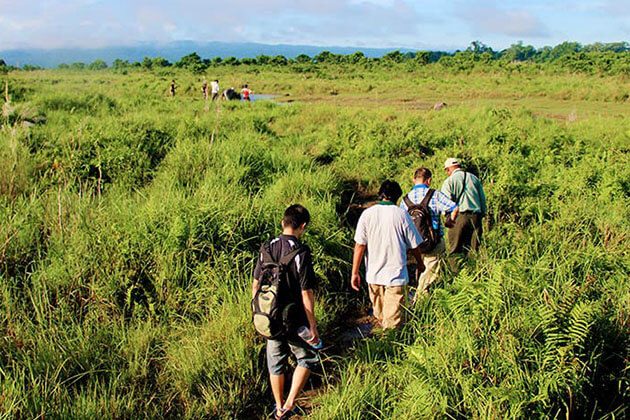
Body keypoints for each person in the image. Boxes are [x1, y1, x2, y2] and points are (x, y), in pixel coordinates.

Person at [252, 205, 319, 419]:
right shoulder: (301, 252)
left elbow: (255, 284)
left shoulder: (266, 247)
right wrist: (312, 324)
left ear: (283, 222)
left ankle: (278, 406)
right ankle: (290, 404)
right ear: (303, 226)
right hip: (294, 317)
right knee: (308, 357)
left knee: (276, 361)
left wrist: (258, 311)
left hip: (269, 316)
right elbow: (306, 292)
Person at [351, 180, 424, 330]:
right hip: (396, 276)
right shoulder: (402, 214)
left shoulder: (367, 214)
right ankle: (389, 348)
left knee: (381, 316)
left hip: (374, 276)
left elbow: (360, 245)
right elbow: (415, 244)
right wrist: (420, 263)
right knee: (392, 322)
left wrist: (355, 272)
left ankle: (383, 346)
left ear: (380, 195)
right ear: (398, 197)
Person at [400, 167, 459, 295]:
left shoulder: (405, 200)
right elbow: (454, 207)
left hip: (413, 244)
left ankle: (416, 295)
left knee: (420, 270)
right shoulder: (434, 195)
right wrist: (450, 221)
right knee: (429, 275)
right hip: (433, 243)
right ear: (429, 180)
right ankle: (420, 302)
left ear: (414, 179)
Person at [441, 158, 487, 260]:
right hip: (476, 217)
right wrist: (481, 215)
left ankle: (457, 274)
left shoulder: (449, 181)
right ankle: (474, 273)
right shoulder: (474, 178)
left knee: (455, 251)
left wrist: (448, 218)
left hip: (458, 217)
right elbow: (482, 201)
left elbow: (445, 204)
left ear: (448, 169)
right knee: (474, 251)